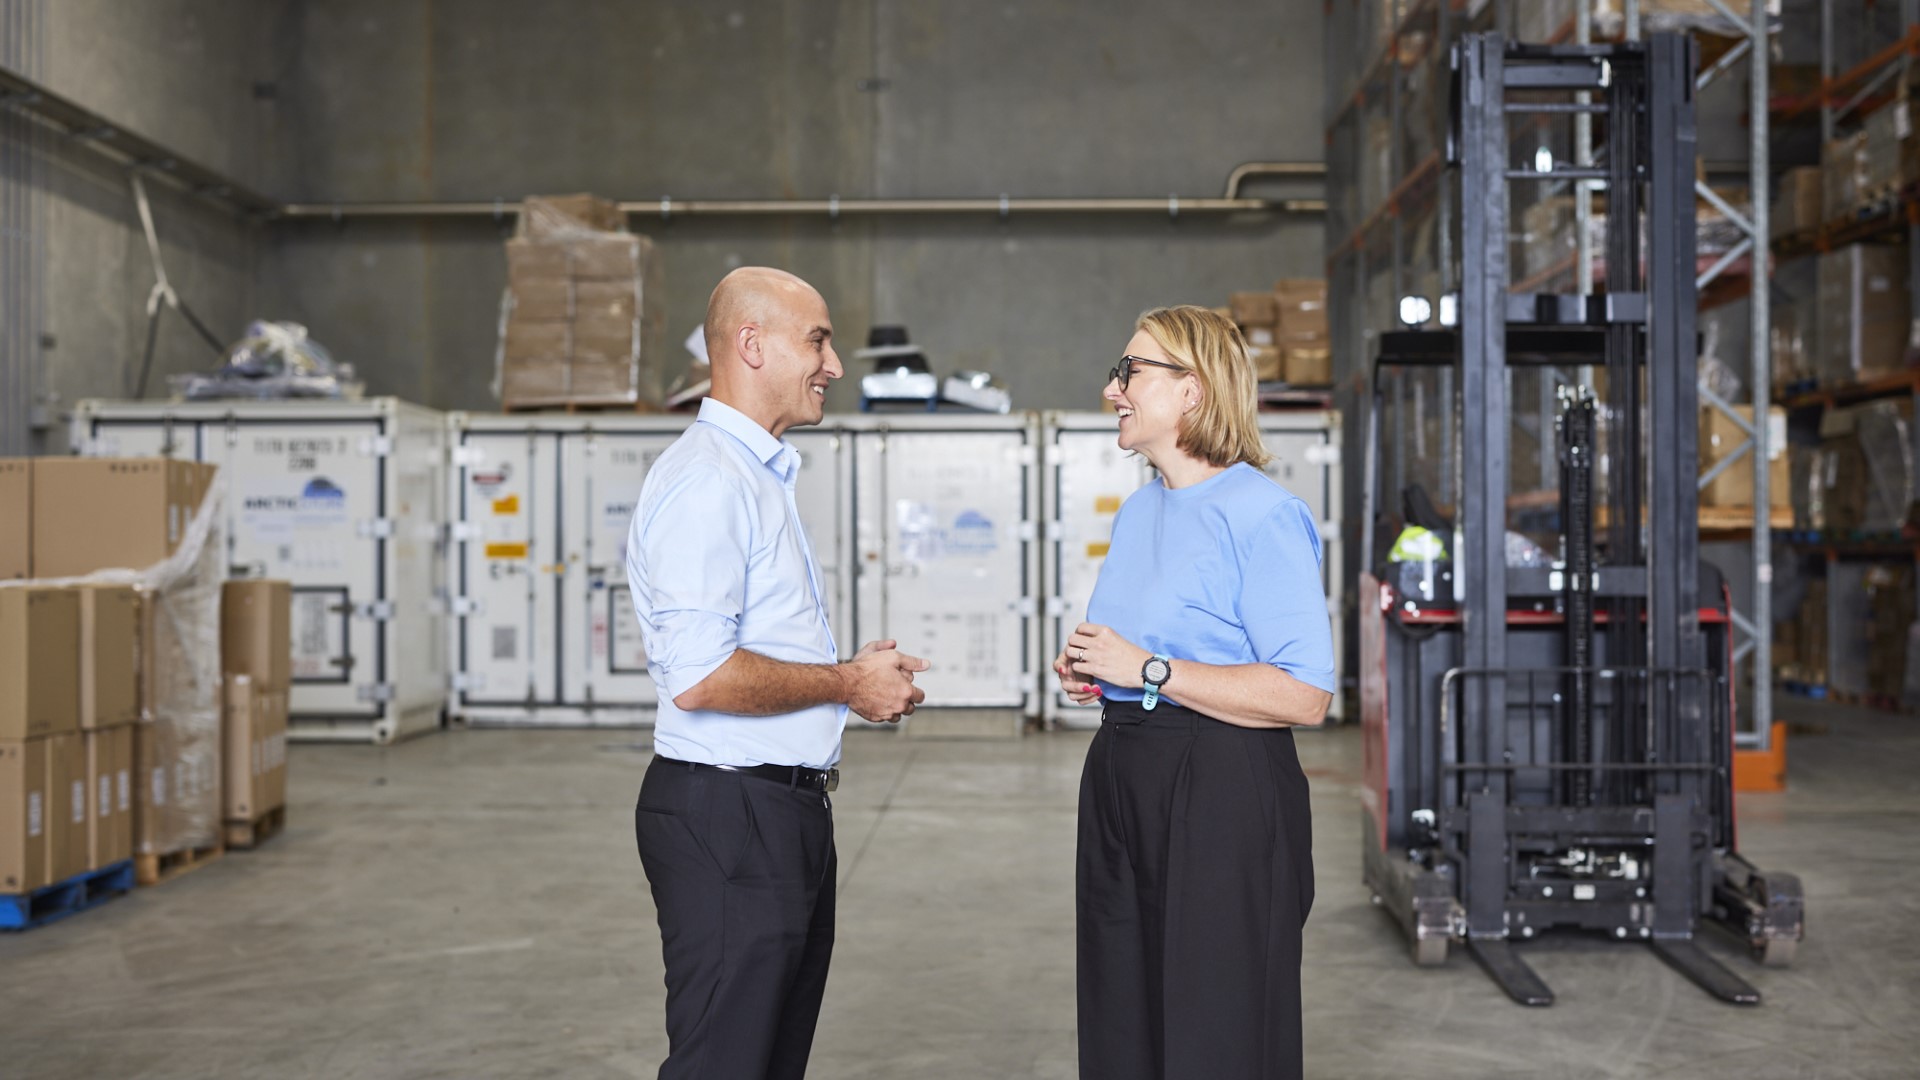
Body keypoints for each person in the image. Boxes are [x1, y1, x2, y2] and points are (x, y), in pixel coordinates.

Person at [626, 266, 930, 1080]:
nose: (833, 366)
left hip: (772, 811)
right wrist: (844, 685)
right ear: (752, 345)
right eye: (818, 342)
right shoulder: (709, 483)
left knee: (763, 1061)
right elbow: (699, 676)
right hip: (731, 815)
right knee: (724, 1064)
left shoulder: (754, 476)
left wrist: (849, 673)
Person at [1057, 305, 1334, 1080]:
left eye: (1130, 370)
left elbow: (1306, 693)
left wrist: (1148, 670)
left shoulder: (1265, 516)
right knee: (1122, 1005)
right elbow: (1143, 651)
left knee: (1216, 1022)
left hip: (1221, 787)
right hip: (1124, 769)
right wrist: (1095, 670)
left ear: (1193, 392)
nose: (1113, 387)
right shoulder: (1141, 510)